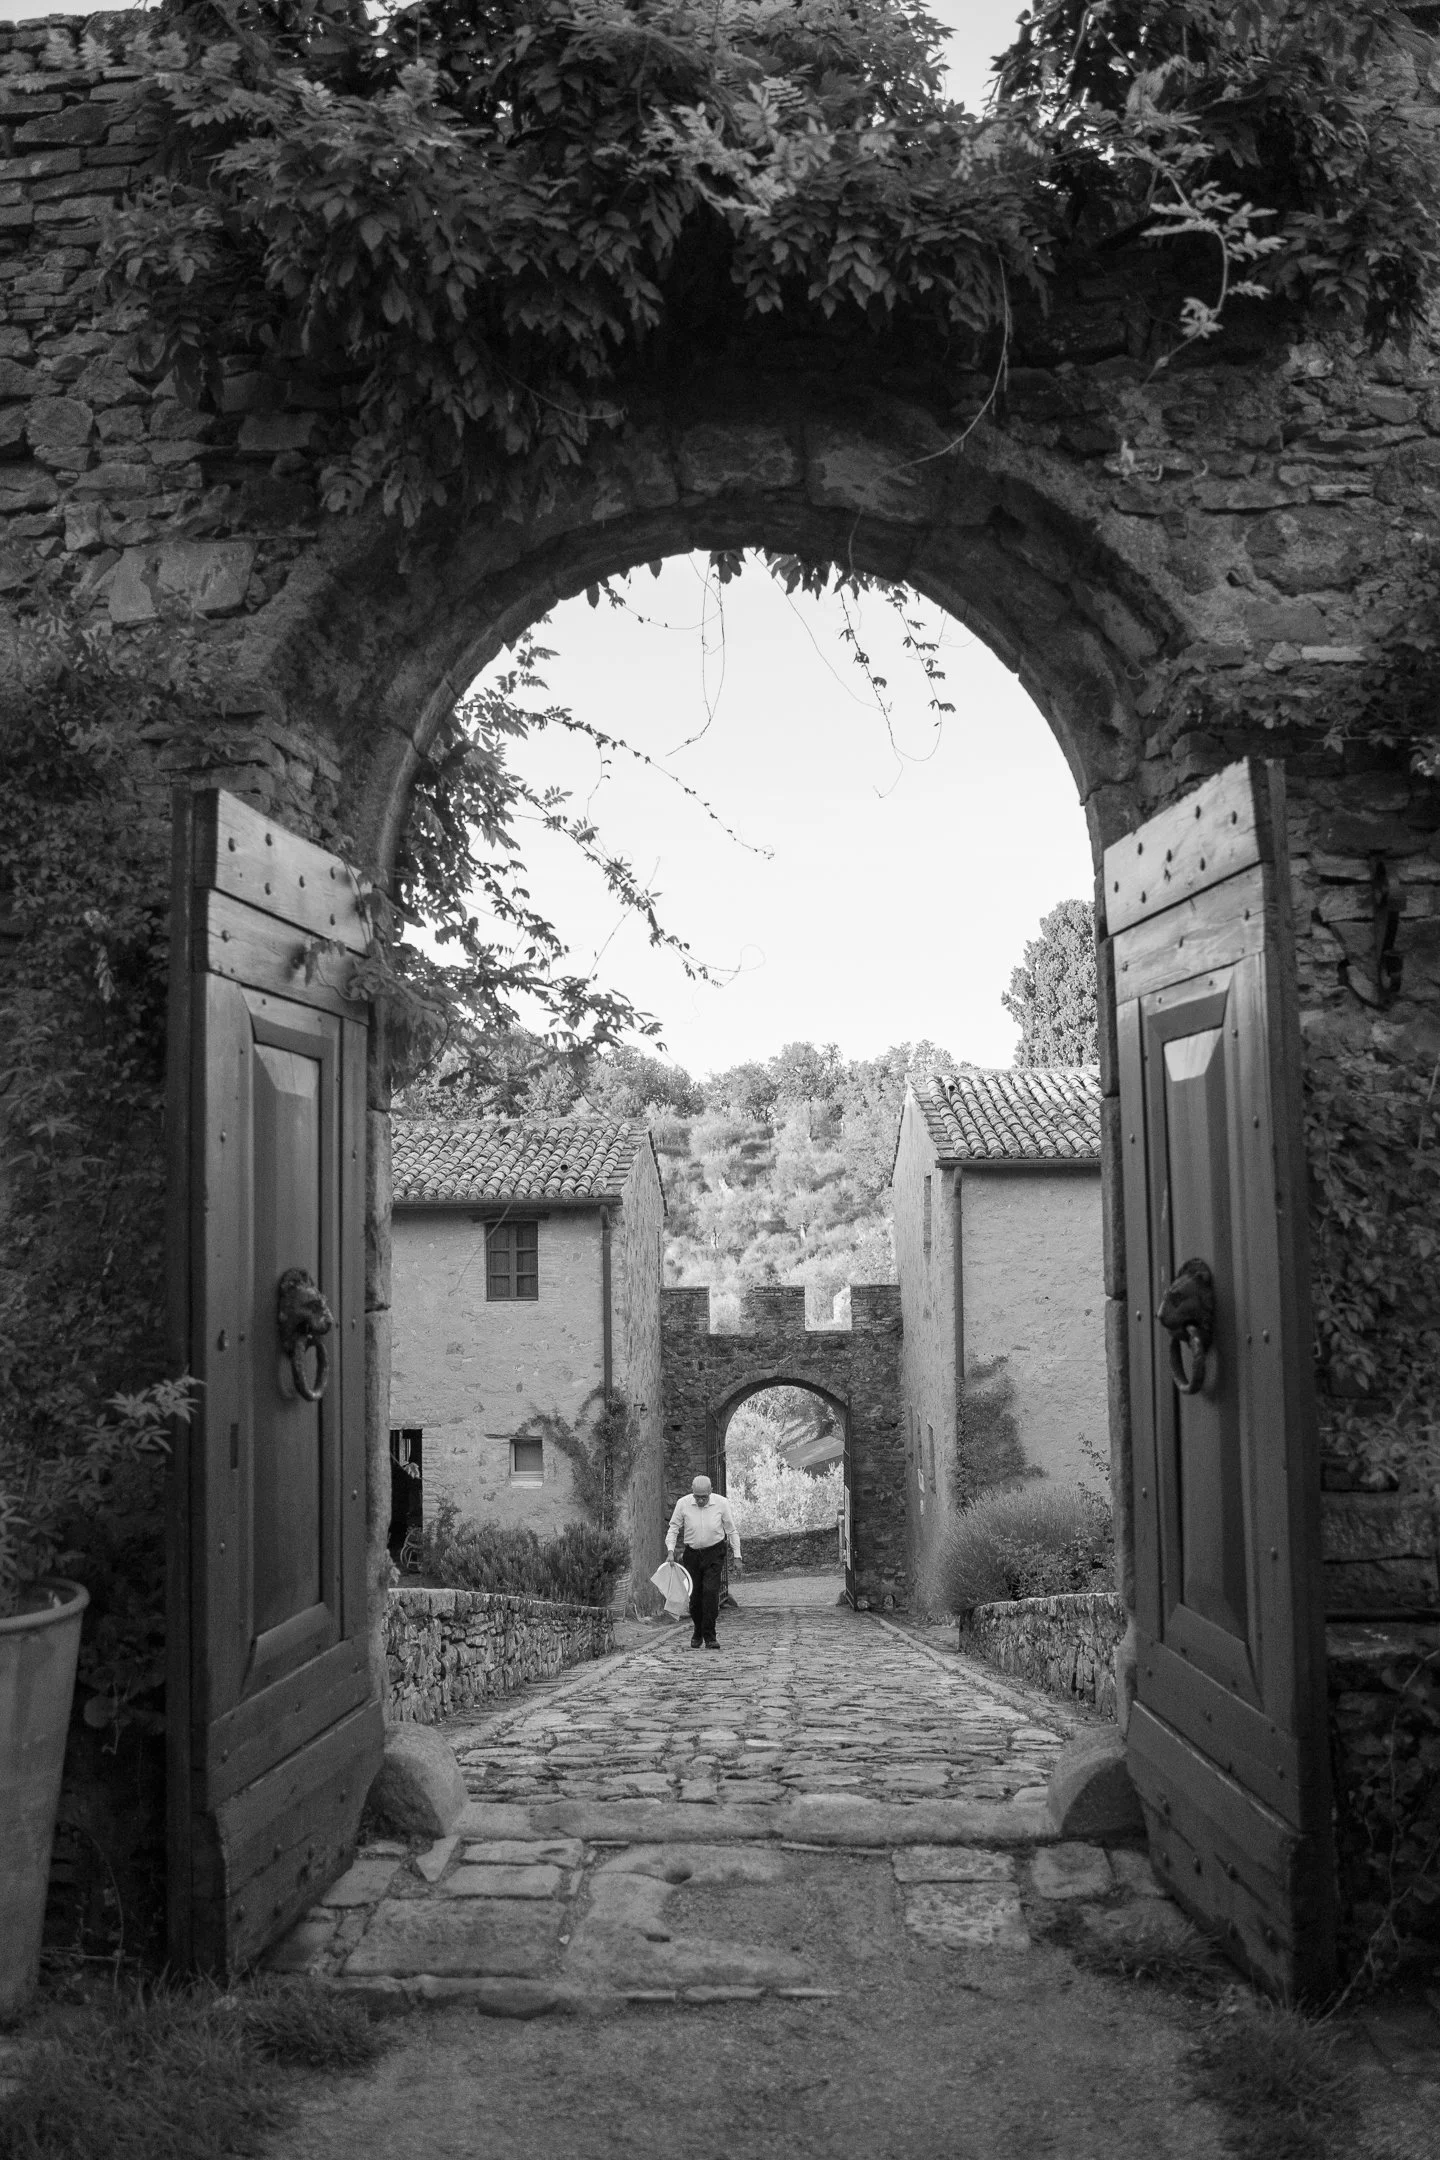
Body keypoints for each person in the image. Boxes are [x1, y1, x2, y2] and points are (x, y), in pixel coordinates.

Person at [665, 1475, 741, 1649]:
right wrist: (670, 1551)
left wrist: (737, 1556)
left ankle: (710, 1635)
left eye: (704, 1497)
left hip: (714, 1553)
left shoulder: (721, 1503)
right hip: (692, 1554)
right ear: (692, 1493)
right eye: (697, 1497)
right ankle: (698, 1630)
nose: (700, 1500)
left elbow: (731, 1530)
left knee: (710, 1592)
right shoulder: (683, 1503)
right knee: (695, 1596)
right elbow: (673, 1528)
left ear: (710, 1492)